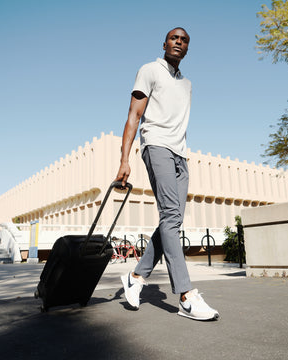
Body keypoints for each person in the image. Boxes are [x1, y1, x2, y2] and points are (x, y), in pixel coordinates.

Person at [115, 27, 219, 321]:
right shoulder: (149, 70)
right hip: (156, 146)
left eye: (184, 40)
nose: (179, 42)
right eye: (174, 38)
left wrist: (182, 154)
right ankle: (185, 296)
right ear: (164, 43)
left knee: (171, 220)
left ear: (187, 49)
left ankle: (136, 277)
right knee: (171, 215)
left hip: (180, 154)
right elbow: (134, 115)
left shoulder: (186, 84)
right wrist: (124, 160)